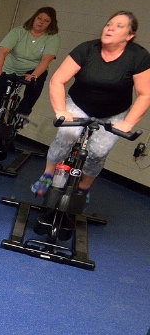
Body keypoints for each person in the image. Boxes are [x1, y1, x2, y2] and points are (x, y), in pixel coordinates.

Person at [30, 11, 150, 204]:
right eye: (109, 23)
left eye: (119, 26)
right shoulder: (86, 49)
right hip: (80, 103)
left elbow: (145, 94)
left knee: (99, 151)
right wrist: (61, 110)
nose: (110, 27)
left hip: (115, 112)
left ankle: (84, 188)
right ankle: (48, 174)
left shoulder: (138, 57)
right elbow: (58, 81)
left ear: (130, 36)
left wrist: (128, 122)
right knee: (66, 137)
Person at [0, 7, 59, 119]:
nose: (41, 22)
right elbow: (2, 52)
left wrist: (34, 75)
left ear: (51, 24)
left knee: (35, 86)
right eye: (39, 18)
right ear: (34, 18)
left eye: (46, 21)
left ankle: (22, 115)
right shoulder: (19, 31)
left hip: (33, 70)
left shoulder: (52, 38)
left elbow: (47, 59)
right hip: (11, 68)